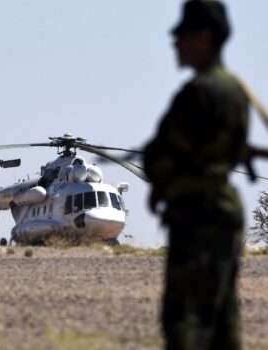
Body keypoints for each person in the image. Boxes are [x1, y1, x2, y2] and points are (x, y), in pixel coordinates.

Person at [143, 1, 249, 349]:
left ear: (203, 38)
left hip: (197, 214)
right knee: (221, 320)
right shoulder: (234, 89)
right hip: (223, 210)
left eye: (182, 37)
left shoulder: (199, 93)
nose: (176, 45)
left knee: (185, 319)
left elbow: (161, 155)